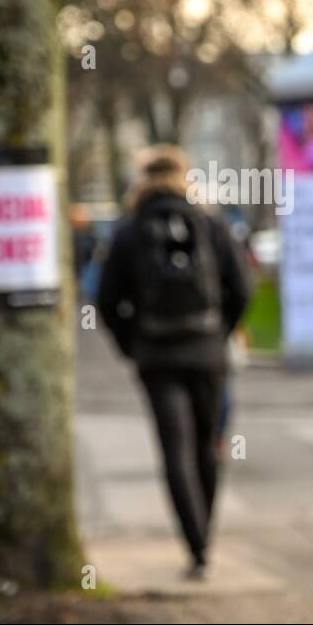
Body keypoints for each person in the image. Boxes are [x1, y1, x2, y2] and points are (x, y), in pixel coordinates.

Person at [97, 145, 251, 579]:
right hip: (206, 350)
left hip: (156, 353)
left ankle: (195, 543)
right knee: (208, 444)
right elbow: (242, 289)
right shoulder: (208, 223)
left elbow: (107, 299)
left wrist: (132, 344)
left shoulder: (128, 230)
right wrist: (218, 334)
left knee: (174, 449)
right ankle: (207, 530)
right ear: (186, 176)